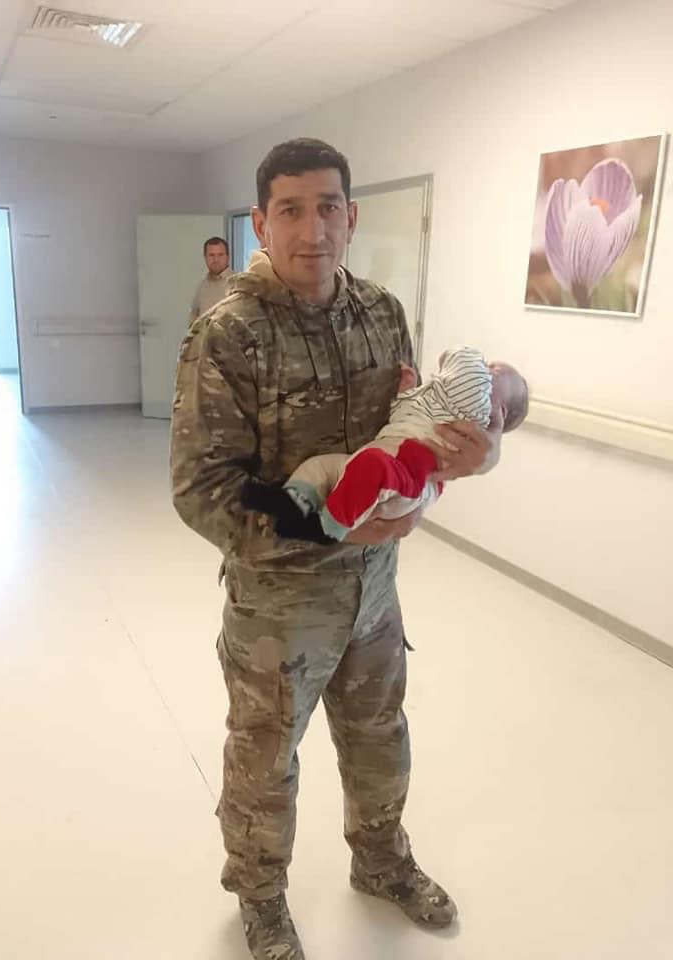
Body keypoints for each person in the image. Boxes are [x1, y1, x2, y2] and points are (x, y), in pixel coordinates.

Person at [170, 138, 502, 960]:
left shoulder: (382, 313)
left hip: (374, 593)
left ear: (351, 217)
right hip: (279, 605)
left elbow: (410, 430)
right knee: (265, 760)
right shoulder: (228, 334)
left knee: (380, 733)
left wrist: (466, 457)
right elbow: (201, 489)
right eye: (291, 210)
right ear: (261, 223)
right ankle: (260, 899)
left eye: (327, 208)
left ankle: (382, 862)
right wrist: (327, 526)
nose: (312, 229)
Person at [242, 346, 528, 543]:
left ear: (500, 412)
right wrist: (407, 392)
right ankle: (292, 502)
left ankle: (325, 529)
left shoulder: (476, 406)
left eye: (497, 372)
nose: (487, 369)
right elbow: (407, 416)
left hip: (405, 477)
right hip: (380, 460)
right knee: (320, 468)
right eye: (489, 366)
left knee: (370, 468)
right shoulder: (443, 405)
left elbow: (462, 360)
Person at [189, 236, 232, 319]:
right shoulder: (202, 286)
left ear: (228, 256)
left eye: (220, 255)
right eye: (211, 255)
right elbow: (193, 317)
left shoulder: (240, 284)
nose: (216, 260)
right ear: (205, 257)